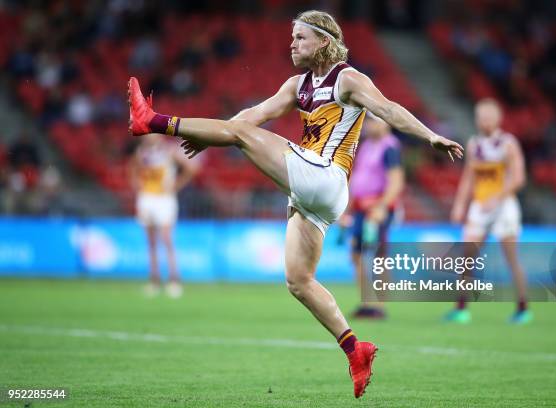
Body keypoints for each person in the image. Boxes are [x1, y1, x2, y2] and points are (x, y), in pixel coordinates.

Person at [127, 10, 462, 397]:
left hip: (326, 175)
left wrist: (430, 136)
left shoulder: (347, 78)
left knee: (239, 133)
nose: (292, 44)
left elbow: (388, 110)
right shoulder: (296, 85)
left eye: (300, 38)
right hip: (316, 192)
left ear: (323, 41)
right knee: (299, 281)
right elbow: (252, 116)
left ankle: (152, 122)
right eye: (292, 38)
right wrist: (211, 134)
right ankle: (356, 349)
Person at [449, 98, 530, 324]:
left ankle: (523, 308)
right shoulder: (474, 144)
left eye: (487, 117)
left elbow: (519, 178)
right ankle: (461, 308)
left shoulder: (508, 143)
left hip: (504, 206)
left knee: (511, 257)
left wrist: (497, 198)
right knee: (467, 256)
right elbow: (469, 177)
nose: (483, 122)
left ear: (497, 119)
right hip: (480, 206)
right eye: (480, 118)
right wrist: (459, 204)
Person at [344, 113, 404, 319]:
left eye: (374, 120)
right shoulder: (367, 145)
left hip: (376, 209)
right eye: (368, 121)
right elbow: (358, 178)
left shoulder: (389, 147)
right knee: (357, 254)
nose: (369, 125)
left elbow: (396, 181)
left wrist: (382, 207)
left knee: (378, 256)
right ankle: (366, 302)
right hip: (360, 208)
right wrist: (347, 209)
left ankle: (379, 305)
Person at [129, 132, 197, 298]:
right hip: (147, 198)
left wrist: (176, 185)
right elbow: (132, 168)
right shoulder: (141, 152)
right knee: (151, 242)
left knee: (166, 239)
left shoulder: (169, 150)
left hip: (165, 199)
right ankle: (154, 280)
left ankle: (174, 279)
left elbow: (192, 168)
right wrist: (136, 183)